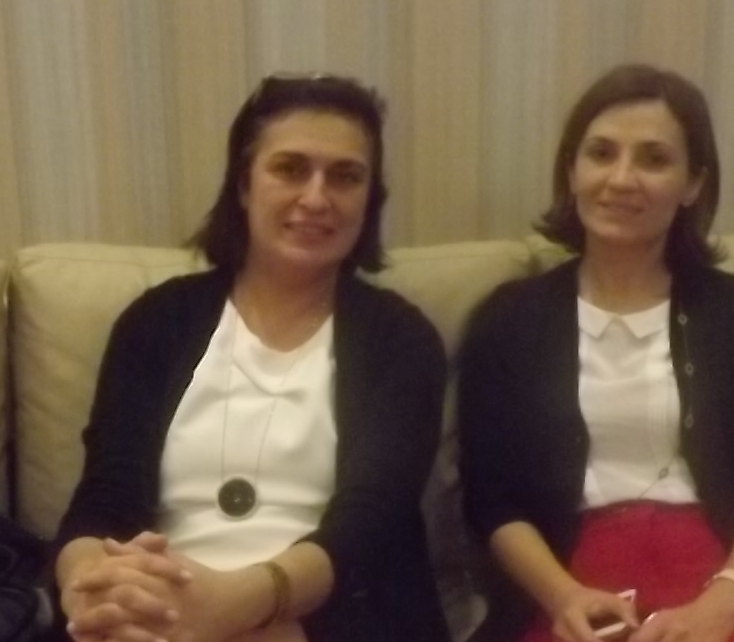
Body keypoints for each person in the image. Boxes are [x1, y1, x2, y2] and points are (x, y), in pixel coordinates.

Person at [54, 74, 451, 642]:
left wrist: (238, 608)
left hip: (325, 619)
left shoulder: (401, 340)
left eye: (345, 176)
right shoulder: (157, 321)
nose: (316, 198)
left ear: (370, 198)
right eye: (290, 169)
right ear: (243, 184)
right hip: (158, 616)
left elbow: (371, 526)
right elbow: (104, 497)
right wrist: (90, 592)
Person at [458, 64, 734, 642]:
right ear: (572, 169)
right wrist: (562, 597)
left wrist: (722, 607)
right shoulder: (510, 319)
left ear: (693, 184)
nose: (621, 178)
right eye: (601, 153)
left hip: (723, 566)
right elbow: (492, 500)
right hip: (573, 576)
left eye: (654, 159)